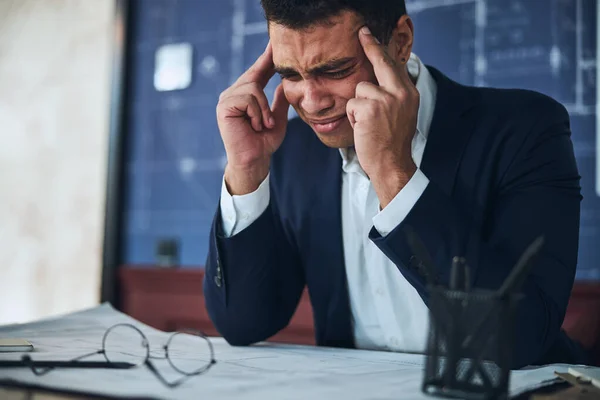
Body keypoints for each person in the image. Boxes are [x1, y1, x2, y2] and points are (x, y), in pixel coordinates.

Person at [203, 0, 590, 368]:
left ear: (400, 41)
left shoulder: (524, 128)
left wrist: (394, 174)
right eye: (290, 74)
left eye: (335, 70)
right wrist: (246, 168)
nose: (312, 101)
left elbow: (519, 338)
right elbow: (244, 323)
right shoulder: (294, 145)